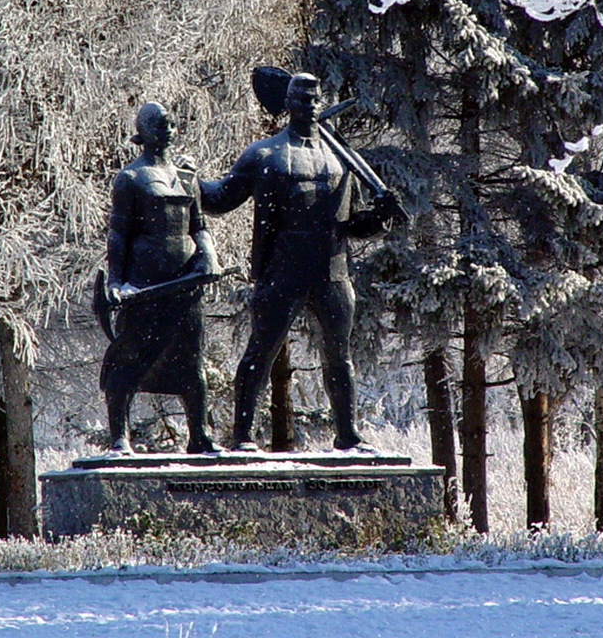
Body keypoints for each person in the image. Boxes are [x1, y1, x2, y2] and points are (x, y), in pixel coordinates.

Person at [200, 73, 401, 451]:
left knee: (339, 357)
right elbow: (220, 198)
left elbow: (353, 225)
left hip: (333, 272)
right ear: (287, 103)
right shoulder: (264, 154)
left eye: (314, 98)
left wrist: (380, 216)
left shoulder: (342, 160)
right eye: (301, 98)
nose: (309, 105)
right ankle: (242, 437)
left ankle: (348, 435)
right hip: (282, 270)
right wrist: (188, 181)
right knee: (261, 351)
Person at [100, 102, 221, 454]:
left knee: (191, 359)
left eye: (170, 123)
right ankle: (119, 437)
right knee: (130, 358)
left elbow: (199, 226)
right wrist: (115, 282)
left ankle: (199, 435)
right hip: (146, 286)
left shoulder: (186, 177)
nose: (166, 128)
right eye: (158, 124)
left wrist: (208, 256)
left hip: (185, 285)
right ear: (143, 132)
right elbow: (118, 234)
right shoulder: (131, 178)